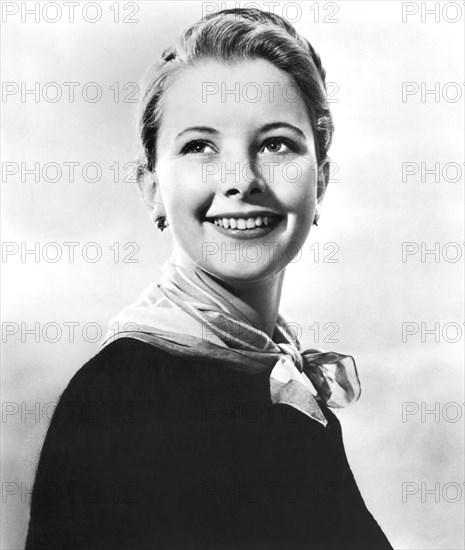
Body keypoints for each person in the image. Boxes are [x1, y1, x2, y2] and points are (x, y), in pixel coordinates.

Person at [26, 8, 392, 550]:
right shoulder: (119, 405)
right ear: (151, 188)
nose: (241, 179)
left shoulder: (280, 380)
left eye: (276, 144)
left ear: (323, 180)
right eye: (200, 146)